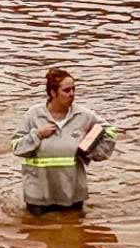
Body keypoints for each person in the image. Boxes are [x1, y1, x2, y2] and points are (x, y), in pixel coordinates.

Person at [13, 67, 115, 215]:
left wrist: (91, 152)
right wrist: (38, 135)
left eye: (74, 89)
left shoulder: (84, 116)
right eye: (67, 90)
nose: (72, 94)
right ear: (53, 93)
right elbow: (16, 146)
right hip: (38, 195)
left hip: (72, 195)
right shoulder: (33, 115)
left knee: (74, 233)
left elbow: (110, 132)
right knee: (37, 235)